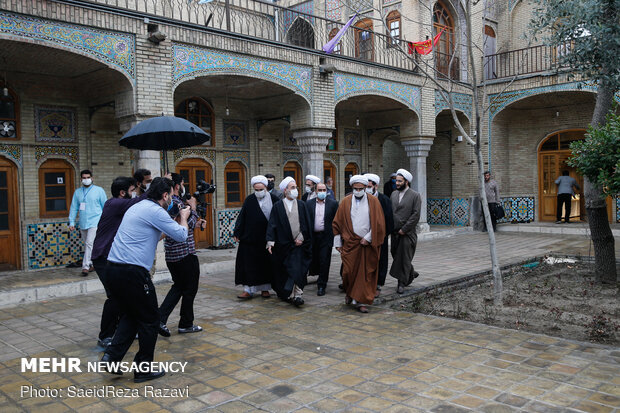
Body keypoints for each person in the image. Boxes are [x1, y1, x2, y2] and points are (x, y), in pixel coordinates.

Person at [101, 177, 190, 383]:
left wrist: (171, 221)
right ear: (165, 195)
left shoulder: (139, 207)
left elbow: (153, 235)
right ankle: (143, 369)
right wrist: (183, 216)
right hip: (132, 273)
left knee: (132, 314)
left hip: (114, 269)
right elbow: (182, 235)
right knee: (150, 319)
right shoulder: (156, 211)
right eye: (171, 195)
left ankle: (112, 357)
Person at [91, 176, 143, 348]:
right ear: (122, 193)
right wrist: (159, 186)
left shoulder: (117, 205)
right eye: (131, 191)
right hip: (103, 257)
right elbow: (143, 200)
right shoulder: (115, 203)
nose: (134, 194)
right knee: (114, 297)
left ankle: (123, 330)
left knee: (123, 295)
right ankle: (105, 336)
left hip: (112, 257)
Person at [159, 173, 206, 337]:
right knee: (189, 288)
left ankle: (160, 318)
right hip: (184, 253)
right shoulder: (178, 203)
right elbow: (187, 224)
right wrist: (192, 207)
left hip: (172, 254)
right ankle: (186, 323)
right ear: (178, 186)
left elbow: (180, 224)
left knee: (179, 287)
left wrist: (196, 220)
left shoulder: (167, 204)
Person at [332, 175, 385, 313]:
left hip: (366, 244)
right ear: (352, 188)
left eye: (361, 189)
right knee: (348, 272)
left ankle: (360, 301)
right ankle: (350, 293)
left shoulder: (373, 201)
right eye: (355, 189)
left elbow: (379, 224)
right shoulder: (345, 202)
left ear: (366, 188)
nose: (358, 191)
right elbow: (337, 223)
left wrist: (368, 238)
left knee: (365, 274)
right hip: (350, 244)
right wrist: (338, 242)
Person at [266, 177, 313, 307]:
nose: (295, 190)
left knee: (298, 269)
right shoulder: (278, 206)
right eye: (292, 188)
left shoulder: (302, 205)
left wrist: (301, 238)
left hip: (299, 245)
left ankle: (298, 295)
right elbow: (272, 225)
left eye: (296, 187)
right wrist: (270, 241)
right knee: (287, 270)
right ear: (285, 190)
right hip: (284, 245)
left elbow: (307, 224)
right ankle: (289, 294)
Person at [233, 175, 279, 299]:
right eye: (256, 190)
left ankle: (265, 289)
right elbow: (242, 216)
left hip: (266, 239)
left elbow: (279, 218)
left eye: (261, 189)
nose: (258, 192)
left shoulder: (274, 199)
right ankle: (248, 290)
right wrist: (237, 232)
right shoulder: (249, 200)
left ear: (266, 188)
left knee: (265, 265)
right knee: (249, 265)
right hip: (250, 239)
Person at [69, 169, 107, 276]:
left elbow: (105, 207)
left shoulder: (99, 190)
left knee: (89, 243)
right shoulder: (77, 192)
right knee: (89, 244)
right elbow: (73, 207)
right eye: (84, 178)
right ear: (81, 179)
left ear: (92, 178)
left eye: (88, 177)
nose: (86, 180)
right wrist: (71, 222)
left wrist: (105, 222)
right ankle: (92, 263)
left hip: (95, 221)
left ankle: (85, 267)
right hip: (83, 222)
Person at [390, 168, 421, 294]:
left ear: (406, 182)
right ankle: (411, 272)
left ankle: (401, 283)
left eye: (399, 181)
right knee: (395, 254)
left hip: (407, 233)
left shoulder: (415, 196)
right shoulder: (393, 194)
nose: (397, 183)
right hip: (395, 233)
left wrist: (404, 229)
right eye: (396, 181)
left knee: (403, 257)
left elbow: (416, 215)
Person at [364, 173, 394, 298]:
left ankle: (378, 285)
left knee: (380, 261)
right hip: (364, 237)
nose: (367, 189)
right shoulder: (363, 198)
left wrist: (381, 235)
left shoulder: (384, 200)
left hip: (380, 237)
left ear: (376, 186)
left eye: (369, 186)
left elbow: (389, 221)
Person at [307, 182, 339, 296]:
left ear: (327, 191)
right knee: (314, 259)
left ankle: (322, 285)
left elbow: (337, 221)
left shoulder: (333, 204)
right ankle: (313, 276)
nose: (321, 192)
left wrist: (337, 239)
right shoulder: (309, 204)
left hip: (326, 237)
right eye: (319, 190)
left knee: (325, 261)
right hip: (313, 236)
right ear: (315, 191)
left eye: (323, 190)